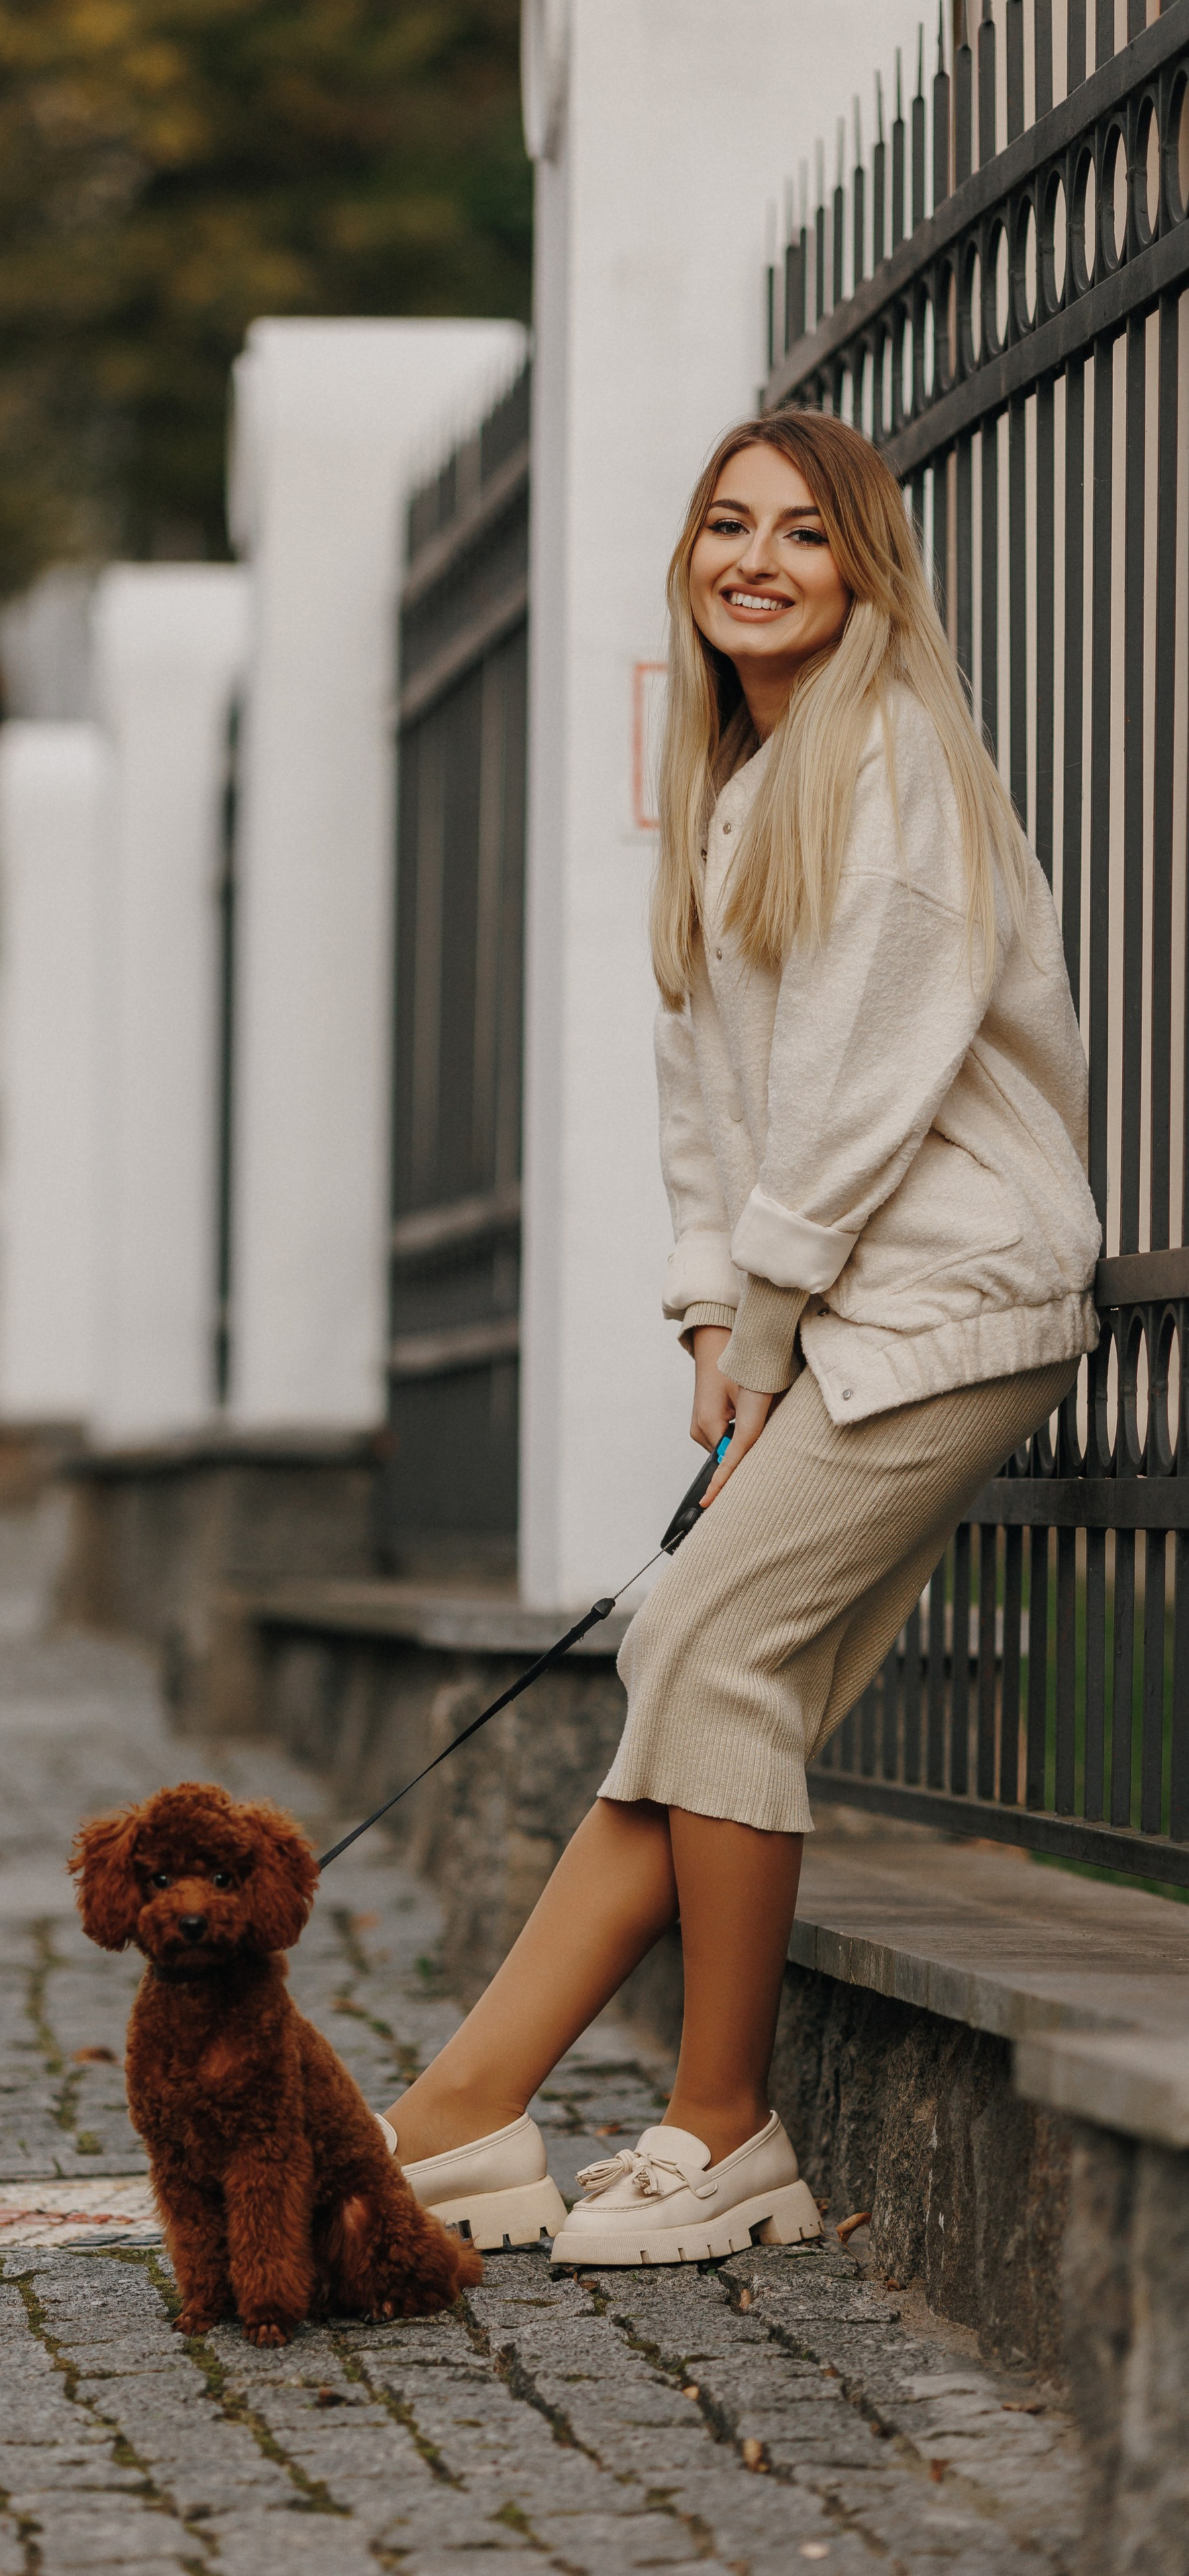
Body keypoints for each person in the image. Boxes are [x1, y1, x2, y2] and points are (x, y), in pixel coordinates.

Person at [379, 411, 1100, 2267]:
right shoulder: (736, 779)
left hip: (946, 1296)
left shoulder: (896, 763)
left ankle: (724, 2127)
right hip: (838, 1308)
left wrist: (770, 1318)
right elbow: (705, 1089)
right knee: (709, 1682)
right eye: (727, 525)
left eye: (801, 532)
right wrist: (718, 1310)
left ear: (863, 570)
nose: (756, 558)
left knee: (702, 1641)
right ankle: (462, 2122)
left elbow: (871, 1081)